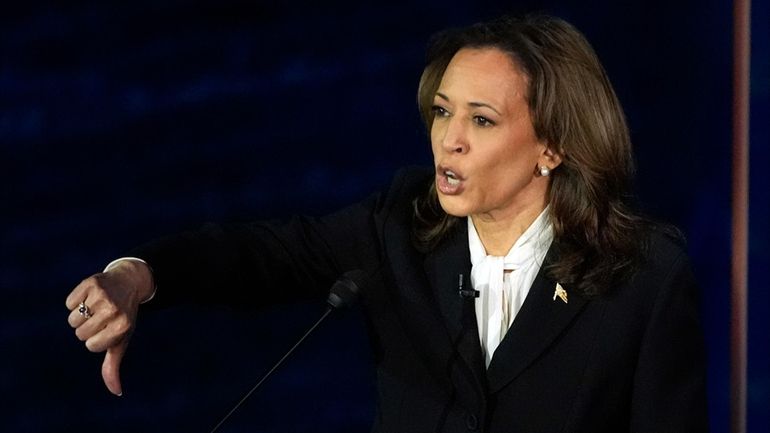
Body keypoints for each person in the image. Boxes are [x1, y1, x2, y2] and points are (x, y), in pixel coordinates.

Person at [65, 14, 708, 432]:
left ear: (553, 146)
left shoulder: (642, 276)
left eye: (480, 120)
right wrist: (137, 276)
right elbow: (263, 254)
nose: (447, 141)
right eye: (440, 111)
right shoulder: (401, 228)